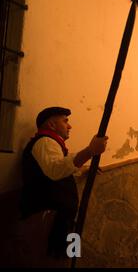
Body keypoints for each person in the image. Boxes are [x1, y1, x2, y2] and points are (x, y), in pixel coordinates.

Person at [20, 107, 108, 258]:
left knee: (67, 252)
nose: (69, 126)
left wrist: (82, 170)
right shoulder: (45, 142)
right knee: (55, 257)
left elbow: (60, 169)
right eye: (65, 121)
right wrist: (90, 151)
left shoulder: (52, 144)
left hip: (62, 217)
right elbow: (55, 170)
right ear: (52, 125)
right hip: (49, 219)